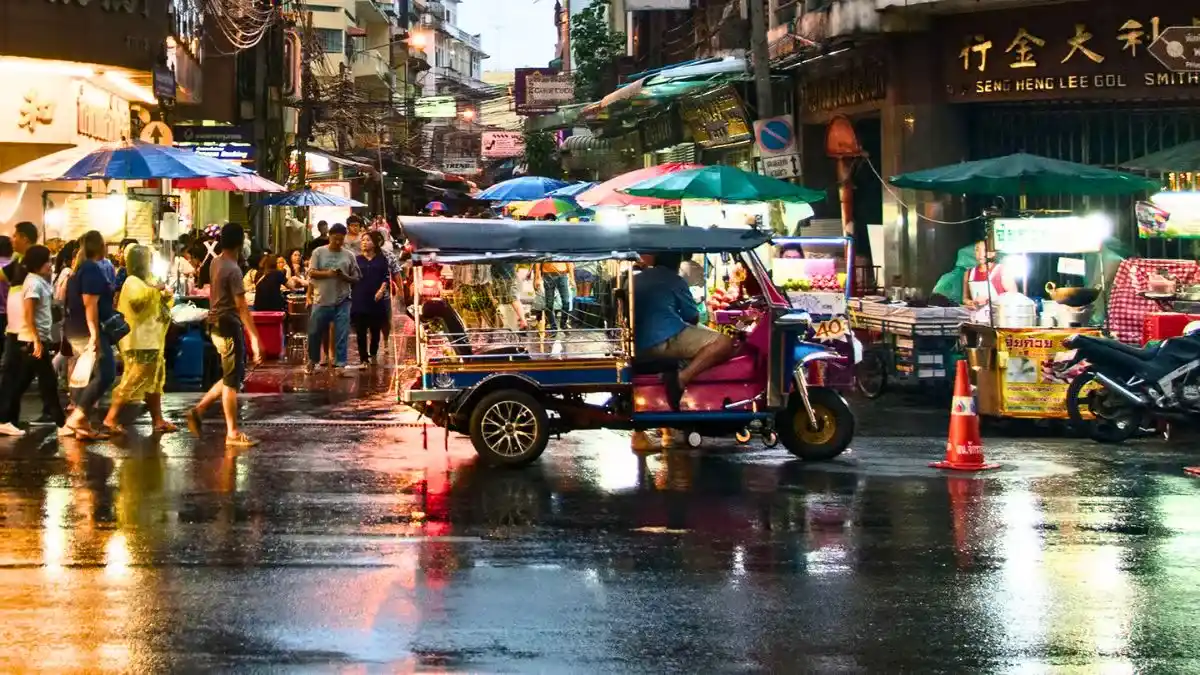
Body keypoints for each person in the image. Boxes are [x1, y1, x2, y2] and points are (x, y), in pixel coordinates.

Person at [185, 223, 262, 447]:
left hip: (215, 323)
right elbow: (242, 307)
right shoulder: (233, 269)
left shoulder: (216, 262)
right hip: (228, 325)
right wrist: (255, 339)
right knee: (231, 382)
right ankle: (232, 433)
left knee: (233, 375)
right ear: (240, 243)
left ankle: (198, 410)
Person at [634, 252, 735, 410]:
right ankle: (682, 378)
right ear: (677, 263)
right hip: (664, 341)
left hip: (636, 345)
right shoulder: (674, 280)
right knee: (723, 342)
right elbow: (692, 316)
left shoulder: (635, 279)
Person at [101, 245, 176, 435]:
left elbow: (162, 302)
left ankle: (158, 420)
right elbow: (137, 302)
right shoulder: (131, 282)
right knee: (134, 379)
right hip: (139, 341)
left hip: (153, 339)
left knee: (155, 381)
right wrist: (155, 290)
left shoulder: (148, 280)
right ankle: (110, 418)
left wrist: (165, 295)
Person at [0, 246, 66, 437]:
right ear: (38, 263)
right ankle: (62, 424)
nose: (50, 264)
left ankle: (5, 418)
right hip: (33, 341)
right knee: (48, 382)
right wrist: (37, 340)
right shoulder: (33, 283)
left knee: (22, 383)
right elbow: (29, 314)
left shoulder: (38, 281)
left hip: (35, 340)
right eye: (47, 261)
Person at [63, 230, 117, 440]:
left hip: (75, 328)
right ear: (99, 246)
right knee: (106, 372)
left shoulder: (81, 269)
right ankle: (78, 416)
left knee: (85, 375)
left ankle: (82, 425)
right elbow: (90, 305)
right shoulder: (91, 270)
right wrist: (94, 334)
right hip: (87, 330)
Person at [306, 223, 360, 373]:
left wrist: (344, 276)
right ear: (329, 236)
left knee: (342, 332)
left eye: (341, 239)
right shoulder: (318, 252)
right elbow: (311, 273)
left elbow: (356, 278)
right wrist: (328, 274)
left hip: (343, 299)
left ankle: (340, 363)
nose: (337, 242)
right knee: (314, 332)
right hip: (321, 299)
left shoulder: (349, 255)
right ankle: (312, 360)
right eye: (335, 238)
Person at [352, 231, 390, 365]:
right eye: (362, 240)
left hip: (376, 299)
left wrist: (381, 290)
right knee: (360, 331)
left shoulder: (381, 259)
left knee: (375, 330)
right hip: (359, 298)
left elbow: (386, 276)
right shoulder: (356, 259)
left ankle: (373, 353)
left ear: (374, 243)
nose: (364, 243)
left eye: (367, 240)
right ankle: (363, 358)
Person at [963, 239, 1017, 313]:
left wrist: (989, 300)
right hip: (977, 316)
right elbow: (965, 298)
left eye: (985, 250)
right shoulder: (969, 273)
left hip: (999, 316)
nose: (981, 254)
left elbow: (1013, 296)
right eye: (977, 250)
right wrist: (971, 303)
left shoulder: (1002, 270)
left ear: (993, 253)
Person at [536, 259, 573, 333]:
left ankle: (563, 324)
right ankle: (553, 327)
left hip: (562, 274)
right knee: (549, 304)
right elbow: (538, 261)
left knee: (566, 301)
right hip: (548, 274)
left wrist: (572, 277)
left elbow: (569, 260)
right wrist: (537, 277)